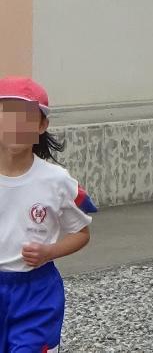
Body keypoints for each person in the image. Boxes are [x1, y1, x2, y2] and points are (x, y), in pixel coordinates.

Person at [0, 76, 97, 352]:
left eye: (27, 118)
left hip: (36, 294)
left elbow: (81, 233)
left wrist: (49, 252)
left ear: (42, 126)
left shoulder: (56, 181)